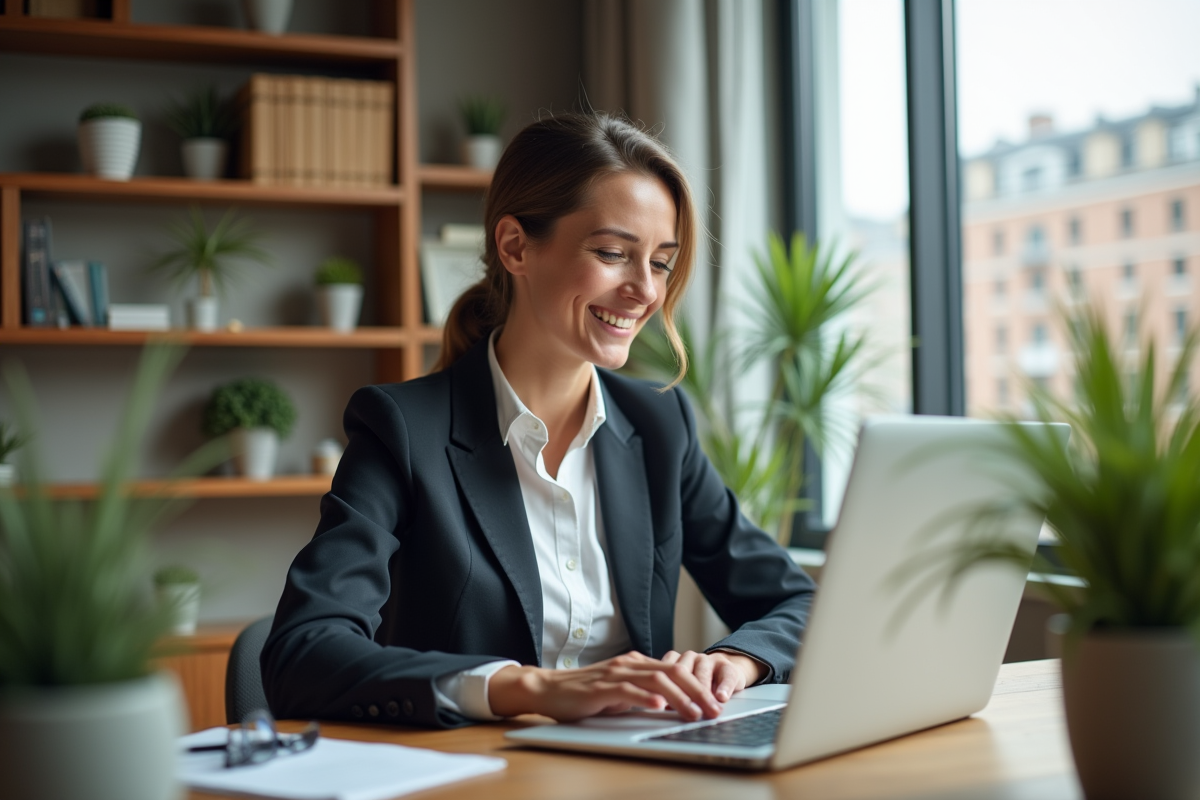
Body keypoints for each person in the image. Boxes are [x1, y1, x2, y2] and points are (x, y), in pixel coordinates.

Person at [262, 113, 817, 729]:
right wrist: (529, 688)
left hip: (642, 768)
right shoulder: (402, 429)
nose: (644, 290)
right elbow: (302, 653)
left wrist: (738, 661)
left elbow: (798, 600)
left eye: (660, 262)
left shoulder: (660, 426)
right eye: (612, 254)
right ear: (515, 246)